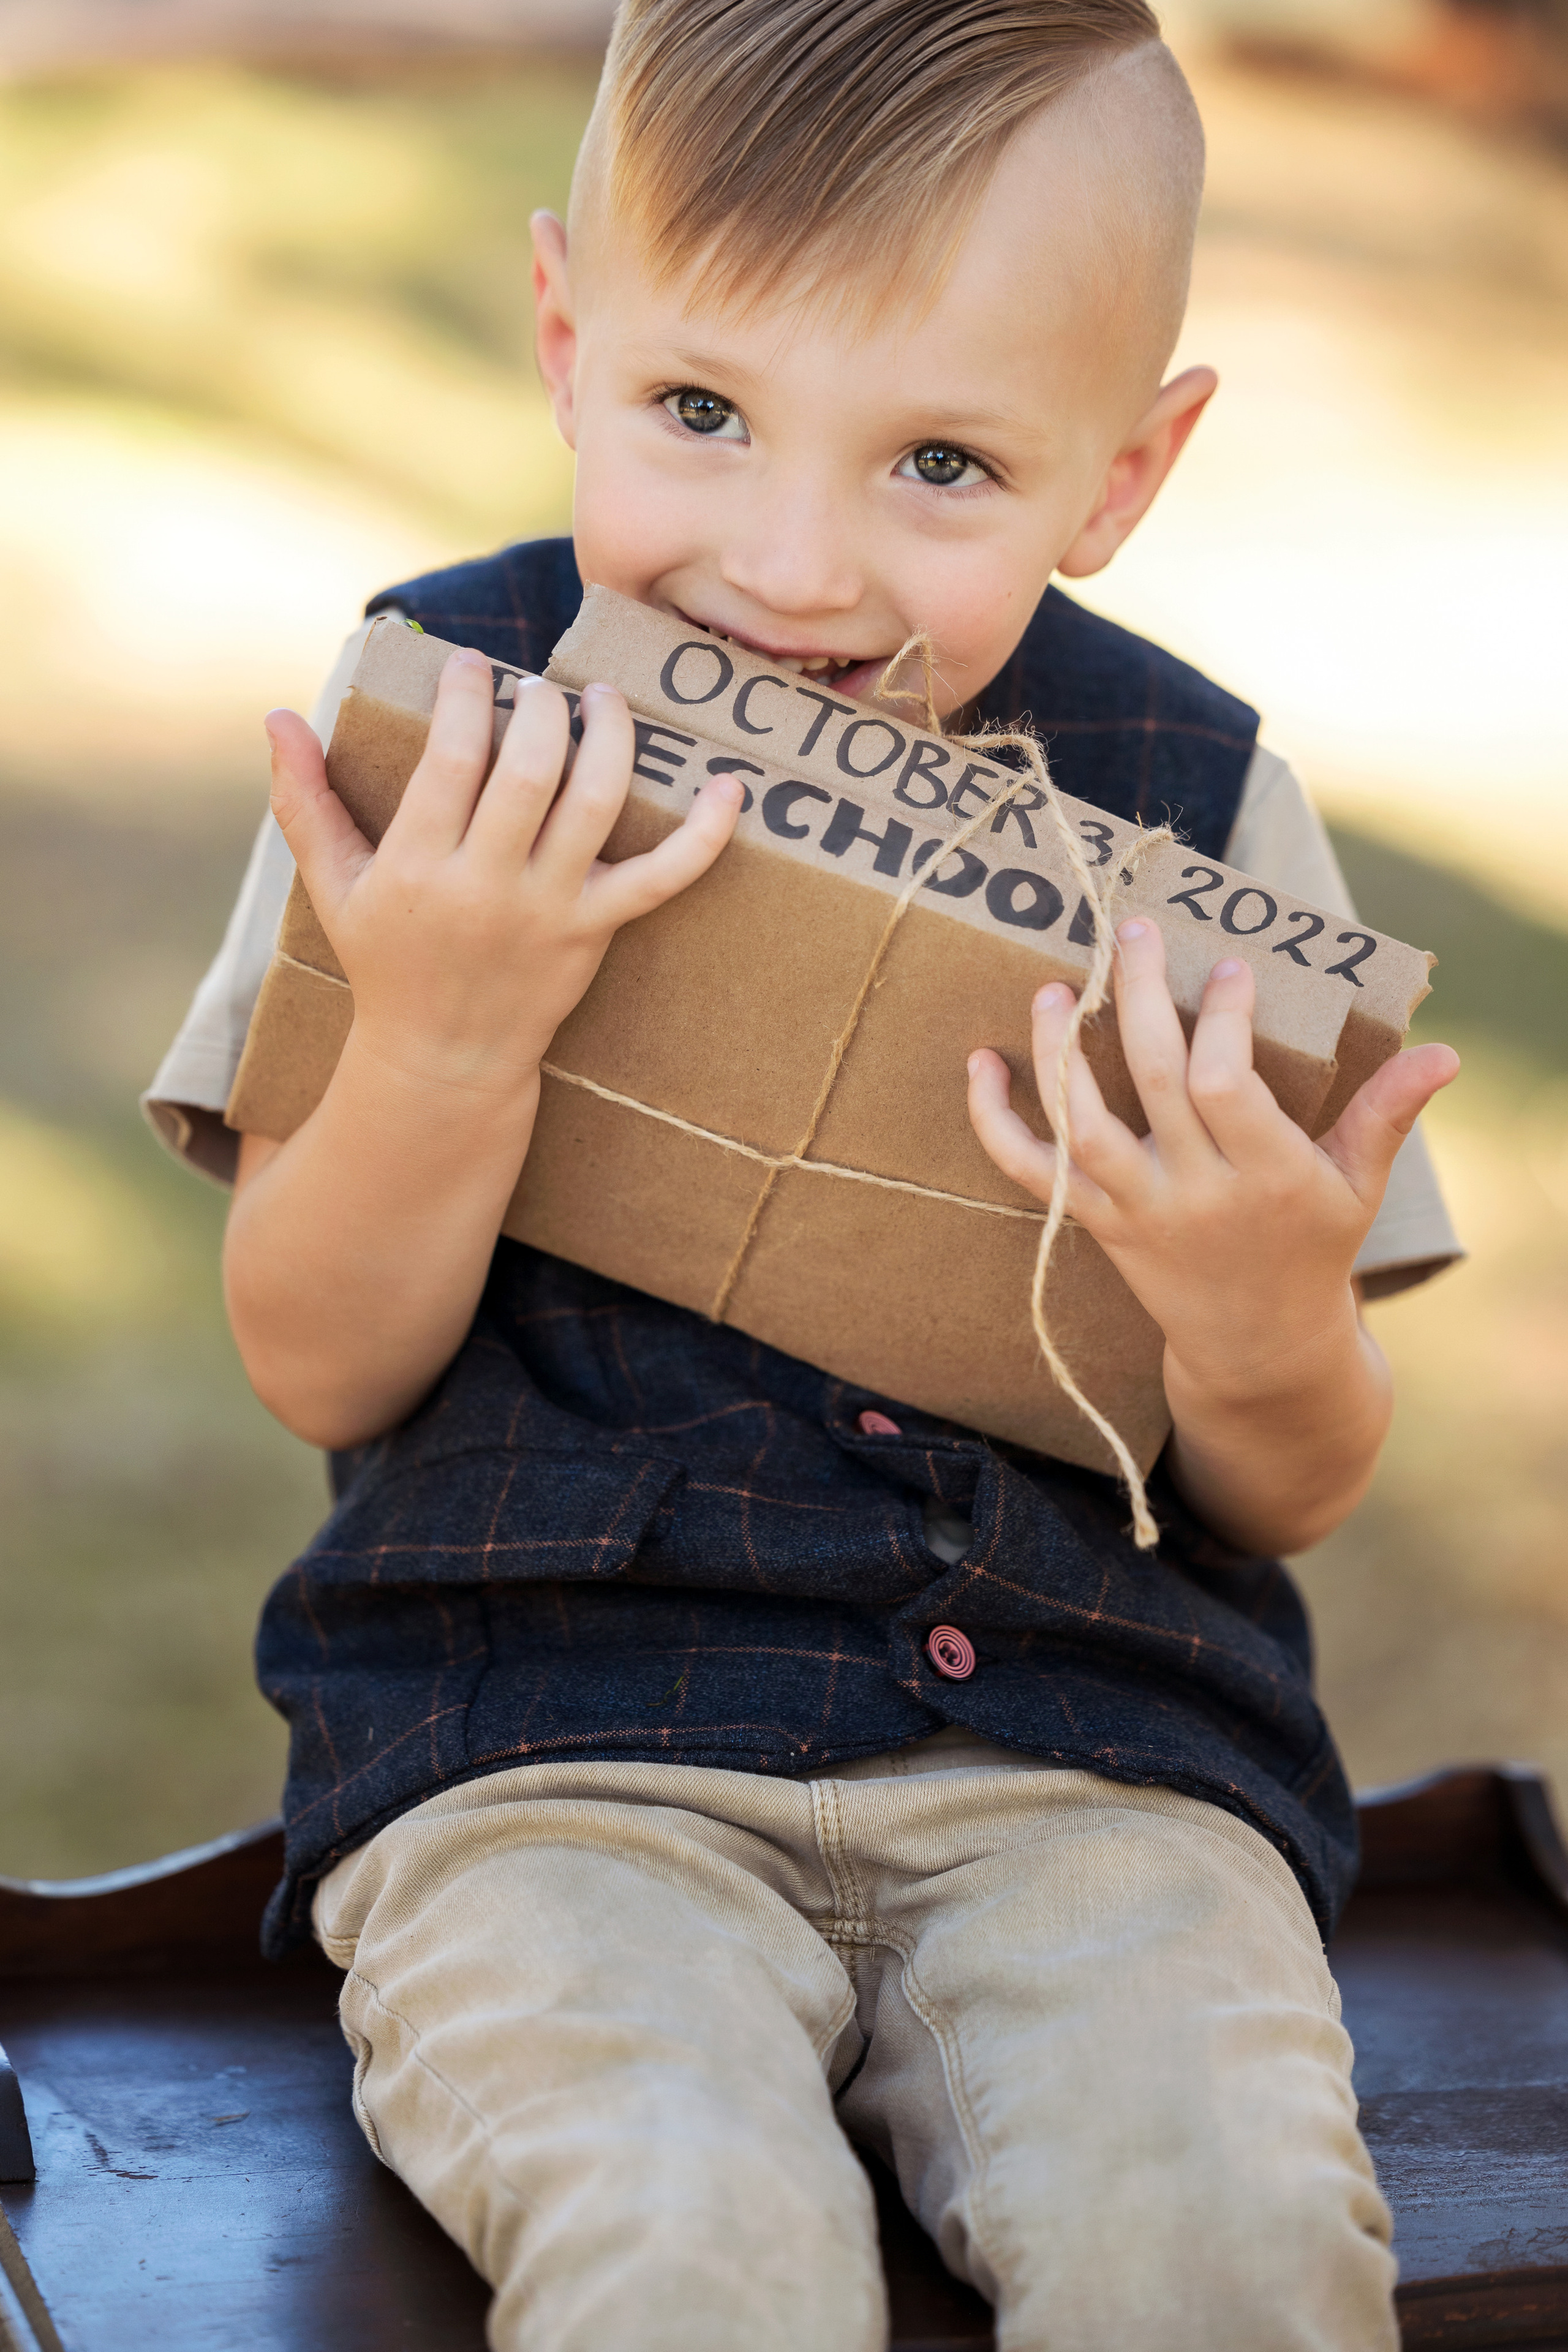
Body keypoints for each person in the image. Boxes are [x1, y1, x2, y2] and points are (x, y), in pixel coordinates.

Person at [145, 2, 1463, 2345]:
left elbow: (1290, 1487)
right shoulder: (431, 747)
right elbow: (314, 1358)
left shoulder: (1203, 816)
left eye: (940, 461)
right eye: (701, 410)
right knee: (685, 2250)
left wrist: (1258, 1306)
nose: (788, 564)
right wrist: (443, 1035)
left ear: (1122, 477)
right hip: (551, 1775)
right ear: (568, 340)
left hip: (1096, 1786)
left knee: (1226, 2243)